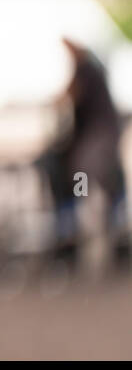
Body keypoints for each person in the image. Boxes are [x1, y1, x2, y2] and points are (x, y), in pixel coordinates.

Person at [41, 38, 130, 267]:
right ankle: (93, 224)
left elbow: (70, 95)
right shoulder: (89, 68)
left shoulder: (86, 69)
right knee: (95, 177)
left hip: (99, 135)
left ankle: (87, 222)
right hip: (99, 134)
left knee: (83, 172)